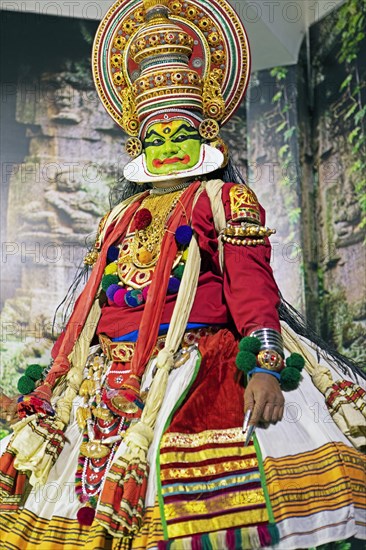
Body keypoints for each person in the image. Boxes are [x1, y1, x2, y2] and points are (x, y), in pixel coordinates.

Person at [0, 0, 365, 549]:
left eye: (179, 135)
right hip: (109, 378)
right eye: (156, 139)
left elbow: (251, 288)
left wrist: (265, 365)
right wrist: (51, 383)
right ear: (137, 145)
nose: (168, 150)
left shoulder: (224, 200)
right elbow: (89, 309)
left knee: (205, 509)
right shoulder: (118, 217)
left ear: (207, 133)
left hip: (195, 361)